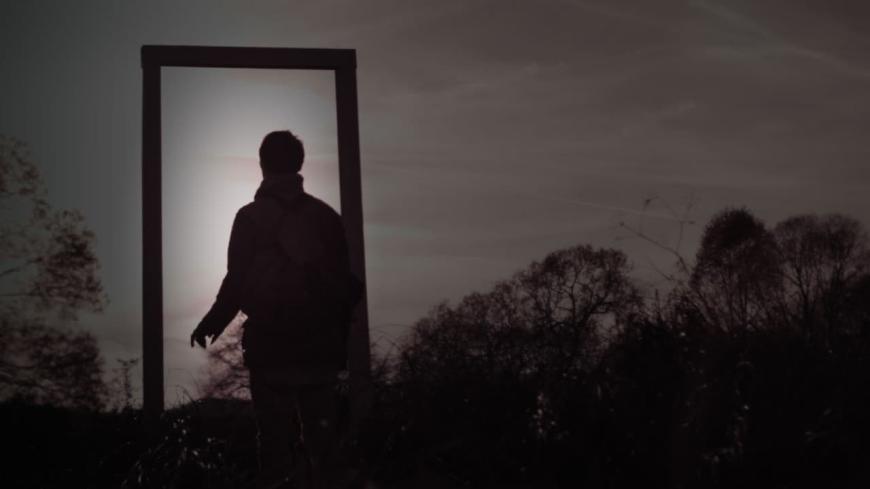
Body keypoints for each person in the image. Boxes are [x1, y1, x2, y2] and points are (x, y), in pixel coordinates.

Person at [191, 130, 361, 489]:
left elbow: (236, 282)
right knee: (324, 448)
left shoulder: (249, 217)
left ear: (262, 164)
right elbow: (343, 288)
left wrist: (213, 322)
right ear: (300, 164)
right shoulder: (326, 217)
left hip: (270, 345)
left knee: (274, 451)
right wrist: (340, 347)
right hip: (319, 345)